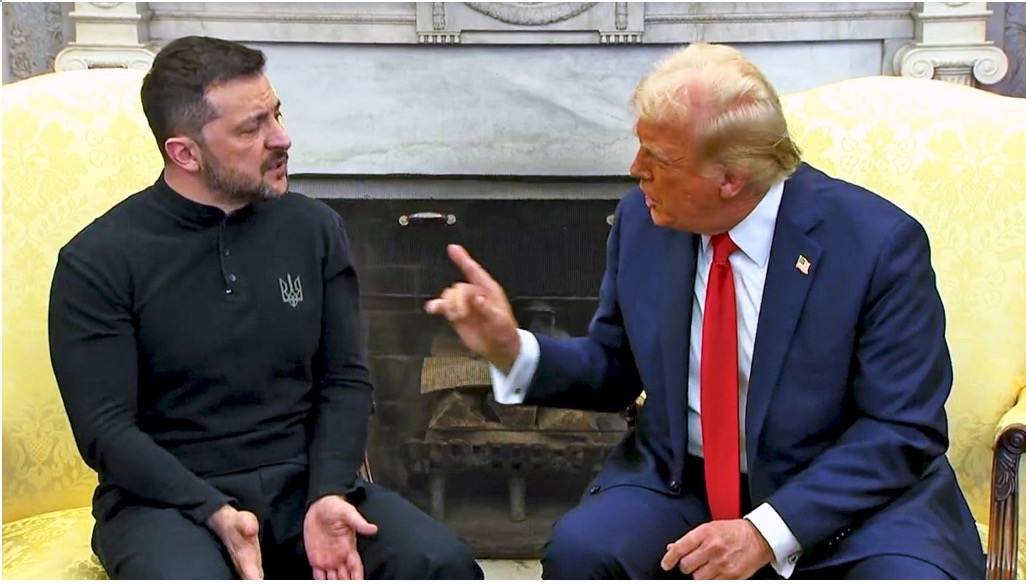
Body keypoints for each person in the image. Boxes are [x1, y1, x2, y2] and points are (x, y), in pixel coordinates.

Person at [425, 43, 986, 579]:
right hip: (684, 481)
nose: (636, 168)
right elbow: (615, 367)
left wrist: (764, 532)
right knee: (584, 553)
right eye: (640, 146)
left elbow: (901, 428)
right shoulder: (643, 222)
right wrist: (511, 349)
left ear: (730, 178)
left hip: (846, 499)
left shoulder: (877, 245)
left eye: (659, 158)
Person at [48, 35, 483, 580]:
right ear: (184, 153)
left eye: (276, 114)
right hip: (167, 504)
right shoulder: (97, 261)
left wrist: (328, 492)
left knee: (442, 564)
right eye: (251, 128)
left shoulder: (315, 229)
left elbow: (345, 379)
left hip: (303, 485)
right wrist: (214, 510)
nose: (282, 138)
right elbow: (106, 431)